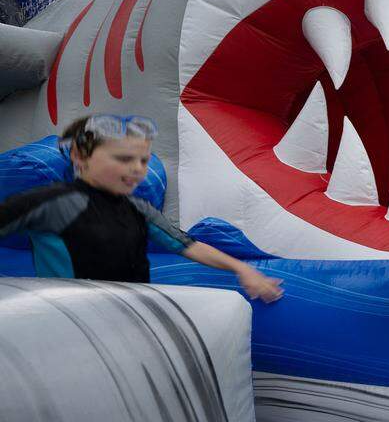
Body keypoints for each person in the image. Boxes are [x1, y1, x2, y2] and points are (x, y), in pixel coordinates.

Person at [0, 115, 283, 301]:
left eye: (144, 161)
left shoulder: (138, 208)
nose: (137, 170)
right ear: (80, 156)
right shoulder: (49, 203)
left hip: (130, 318)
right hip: (71, 320)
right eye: (123, 158)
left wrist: (241, 269)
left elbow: (188, 245)